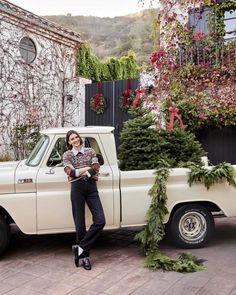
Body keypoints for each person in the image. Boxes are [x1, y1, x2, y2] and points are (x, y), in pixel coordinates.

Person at [63, 130, 106, 270]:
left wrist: (86, 171)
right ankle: (85, 257)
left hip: (91, 187)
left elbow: (96, 167)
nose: (75, 140)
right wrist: (87, 169)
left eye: (76, 137)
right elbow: (71, 172)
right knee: (80, 224)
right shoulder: (67, 155)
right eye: (72, 139)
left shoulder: (90, 151)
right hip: (77, 189)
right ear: (69, 142)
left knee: (100, 220)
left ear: (79, 138)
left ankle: (80, 248)